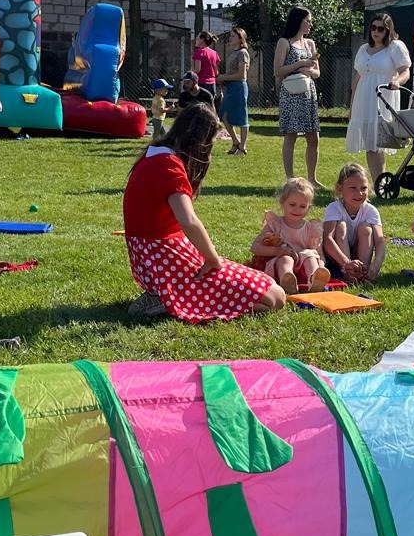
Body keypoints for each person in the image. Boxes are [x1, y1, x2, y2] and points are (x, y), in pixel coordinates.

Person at [122, 102, 283, 322]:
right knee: (274, 299)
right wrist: (212, 259)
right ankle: (169, 299)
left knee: (271, 289)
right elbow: (188, 221)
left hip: (156, 259)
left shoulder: (154, 155)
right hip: (166, 259)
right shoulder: (168, 166)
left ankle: (166, 295)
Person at [345, 11, 411, 183]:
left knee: (379, 140)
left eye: (381, 29)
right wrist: (352, 107)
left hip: (383, 97)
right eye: (373, 28)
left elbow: (405, 71)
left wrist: (397, 80)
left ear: (388, 30)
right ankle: (378, 182)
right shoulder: (363, 49)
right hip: (363, 98)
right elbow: (357, 78)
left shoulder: (395, 47)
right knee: (370, 142)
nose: (376, 32)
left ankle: (380, 181)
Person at [251, 176, 330, 294]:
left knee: (310, 255)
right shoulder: (275, 224)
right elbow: (255, 247)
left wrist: (320, 266)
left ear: (308, 208)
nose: (297, 210)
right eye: (292, 204)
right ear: (283, 203)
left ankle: (315, 280)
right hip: (280, 265)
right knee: (285, 259)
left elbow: (319, 253)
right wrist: (276, 251)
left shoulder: (311, 228)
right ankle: (287, 281)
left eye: (302, 206)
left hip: (304, 268)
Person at [275, 6, 321, 183]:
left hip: (309, 93)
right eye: (308, 20)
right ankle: (290, 177)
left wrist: (310, 72)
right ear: (298, 21)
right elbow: (278, 70)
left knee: (313, 136)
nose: (310, 24)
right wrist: (299, 64)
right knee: (291, 135)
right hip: (291, 93)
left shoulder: (310, 44)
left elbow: (317, 72)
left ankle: (312, 178)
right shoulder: (284, 42)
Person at [323, 162, 386, 282]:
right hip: (337, 260)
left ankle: (363, 271)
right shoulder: (334, 208)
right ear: (339, 188)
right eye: (353, 188)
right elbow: (328, 240)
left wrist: (376, 266)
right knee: (341, 226)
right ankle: (348, 272)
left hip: (358, 254)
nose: (359, 193)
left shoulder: (370, 210)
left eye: (364, 188)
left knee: (366, 229)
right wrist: (347, 263)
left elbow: (379, 241)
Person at [218, 27, 251, 155]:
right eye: (230, 36)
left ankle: (243, 147)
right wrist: (222, 78)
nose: (230, 38)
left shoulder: (243, 53)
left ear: (240, 38)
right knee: (224, 115)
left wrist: (224, 77)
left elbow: (241, 75)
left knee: (242, 117)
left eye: (233, 36)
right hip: (230, 87)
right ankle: (235, 141)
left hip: (239, 87)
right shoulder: (232, 53)